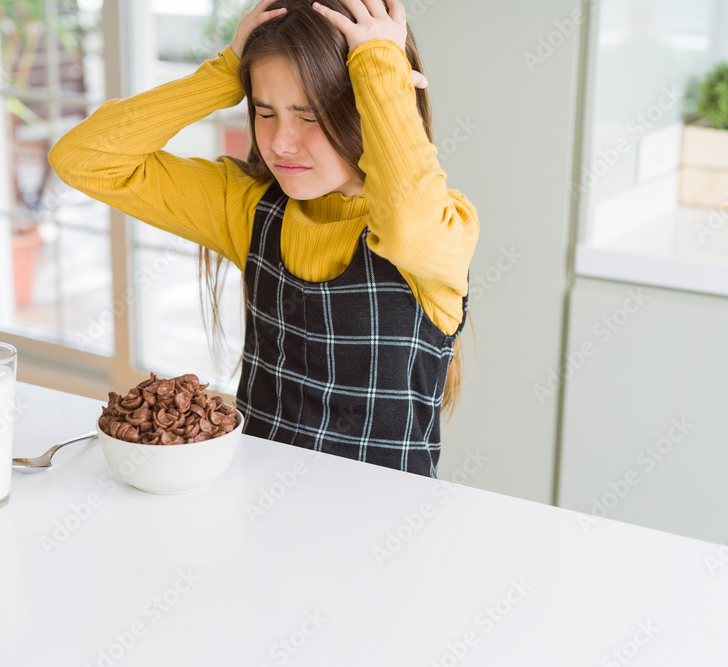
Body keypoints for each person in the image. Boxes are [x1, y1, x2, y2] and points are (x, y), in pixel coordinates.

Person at [48, 0, 479, 478]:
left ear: (373, 109)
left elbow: (408, 226)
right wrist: (224, 72)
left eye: (310, 115)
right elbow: (81, 158)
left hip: (383, 531)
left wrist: (381, 70)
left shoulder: (445, 228)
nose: (280, 142)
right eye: (264, 111)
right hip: (256, 511)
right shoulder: (249, 208)